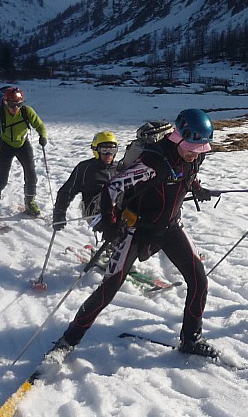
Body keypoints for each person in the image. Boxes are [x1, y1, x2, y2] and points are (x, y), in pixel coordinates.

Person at [46, 109, 216, 362]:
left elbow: (186, 175)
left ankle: (191, 339)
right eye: (191, 146)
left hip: (170, 227)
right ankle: (68, 341)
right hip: (136, 231)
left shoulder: (192, 157)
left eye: (200, 148)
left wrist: (197, 188)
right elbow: (113, 188)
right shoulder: (153, 162)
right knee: (109, 288)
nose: (195, 152)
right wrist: (112, 222)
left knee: (199, 280)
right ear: (178, 137)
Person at [0, 87, 48, 221]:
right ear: (6, 102)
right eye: (12, 104)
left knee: (31, 174)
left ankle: (30, 203)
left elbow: (40, 125)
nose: (15, 108)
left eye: (19, 104)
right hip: (6, 145)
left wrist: (43, 136)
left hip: (23, 144)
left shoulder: (27, 112)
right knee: (2, 178)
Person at [51, 131, 119, 232]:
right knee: (108, 191)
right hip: (94, 211)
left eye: (112, 150)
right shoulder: (85, 168)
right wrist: (59, 213)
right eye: (104, 150)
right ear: (96, 150)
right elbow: (67, 191)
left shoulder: (120, 168)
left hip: (117, 209)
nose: (109, 154)